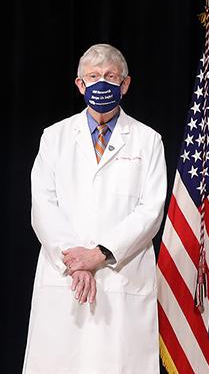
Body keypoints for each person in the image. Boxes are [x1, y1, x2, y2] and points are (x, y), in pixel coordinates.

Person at [24, 44, 167, 373]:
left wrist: (99, 254)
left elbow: (150, 210)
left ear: (125, 84)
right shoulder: (54, 137)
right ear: (80, 84)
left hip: (120, 277)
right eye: (93, 76)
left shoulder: (148, 140)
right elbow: (43, 204)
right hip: (65, 276)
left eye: (110, 76)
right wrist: (75, 260)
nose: (101, 83)